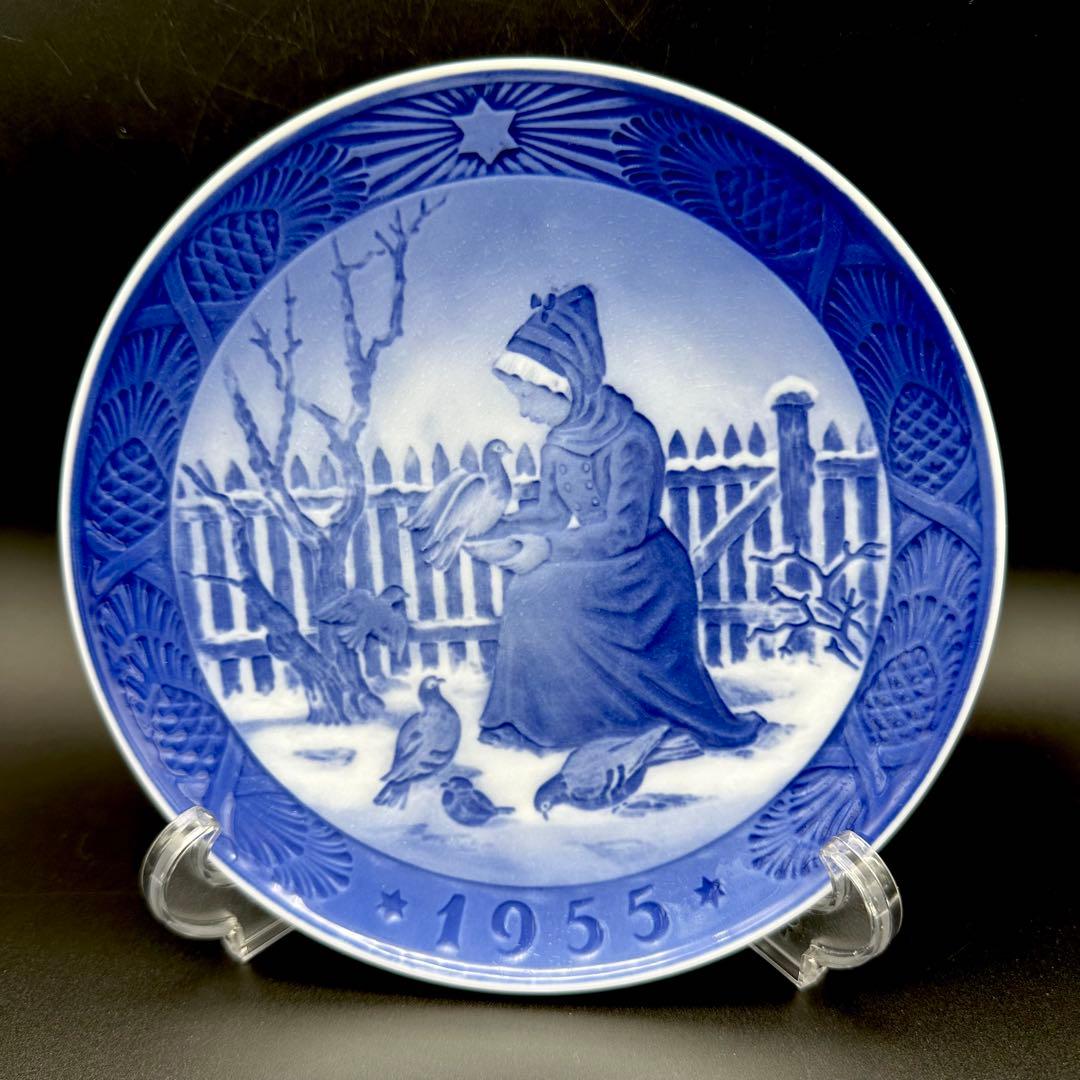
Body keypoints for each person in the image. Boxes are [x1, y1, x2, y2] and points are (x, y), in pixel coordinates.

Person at [474, 285, 763, 753]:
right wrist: (499, 529)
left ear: (567, 384)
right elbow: (551, 513)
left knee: (542, 592)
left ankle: (624, 723)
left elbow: (623, 531)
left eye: (529, 397)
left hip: (645, 574)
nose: (524, 410)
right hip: (598, 564)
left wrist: (546, 550)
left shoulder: (631, 437)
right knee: (528, 590)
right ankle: (540, 721)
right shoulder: (558, 442)